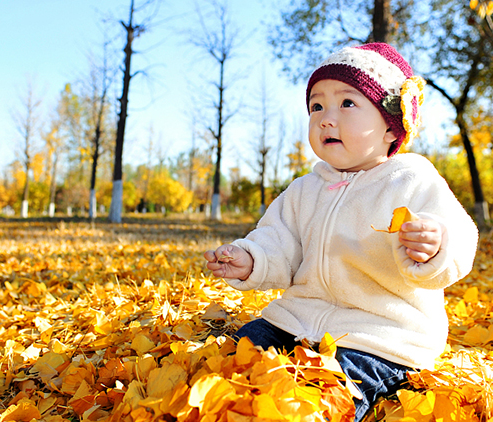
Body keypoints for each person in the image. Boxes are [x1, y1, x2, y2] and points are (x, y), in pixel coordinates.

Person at [203, 42, 478, 421]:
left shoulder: (411, 179)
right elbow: (279, 242)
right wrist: (250, 259)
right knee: (232, 360)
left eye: (347, 104)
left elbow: (459, 234)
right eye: (317, 106)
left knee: (328, 396)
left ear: (390, 124)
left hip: (377, 335)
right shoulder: (305, 188)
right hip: (295, 320)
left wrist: (436, 244)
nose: (326, 119)